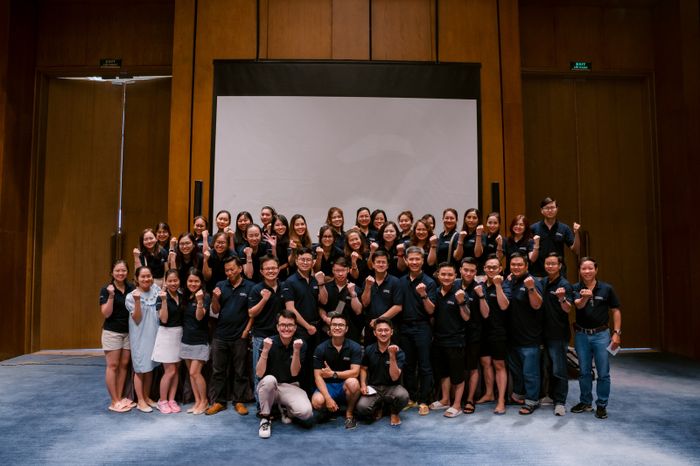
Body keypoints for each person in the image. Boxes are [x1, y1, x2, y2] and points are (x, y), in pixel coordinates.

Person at [572, 257, 622, 419]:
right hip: (581, 335)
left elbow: (615, 310)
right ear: (579, 271)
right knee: (584, 371)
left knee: (603, 372)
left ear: (596, 270)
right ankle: (585, 401)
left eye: (590, 268)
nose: (587, 271)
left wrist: (617, 333)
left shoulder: (607, 288)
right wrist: (586, 296)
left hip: (601, 335)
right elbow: (578, 305)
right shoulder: (575, 288)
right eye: (583, 269)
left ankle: (601, 405)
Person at [207, 256, 255, 416]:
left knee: (240, 371)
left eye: (232, 269)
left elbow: (252, 313)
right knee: (218, 371)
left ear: (240, 269)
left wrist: (246, 331)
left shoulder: (250, 287)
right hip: (220, 335)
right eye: (226, 270)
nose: (229, 273)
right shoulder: (220, 285)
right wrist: (215, 297)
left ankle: (239, 401)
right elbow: (215, 311)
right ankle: (219, 402)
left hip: (240, 335)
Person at [256, 310, 312, 439]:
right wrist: (265, 350)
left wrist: (296, 351)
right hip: (270, 387)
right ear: (277, 327)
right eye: (282, 325)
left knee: (306, 413)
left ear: (295, 327)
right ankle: (265, 418)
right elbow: (259, 373)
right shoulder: (268, 342)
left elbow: (294, 372)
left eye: (290, 325)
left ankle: (285, 407)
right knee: (269, 379)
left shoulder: (300, 344)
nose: (286, 328)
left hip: (290, 386)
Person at [397, 246, 437, 416]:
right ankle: (411, 398)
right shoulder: (400, 281)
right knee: (408, 365)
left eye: (417, 259)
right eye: (411, 259)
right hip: (404, 327)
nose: (414, 262)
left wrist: (423, 294)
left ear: (422, 261)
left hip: (422, 327)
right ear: (406, 261)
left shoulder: (429, 282)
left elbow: (431, 310)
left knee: (425, 365)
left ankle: (424, 400)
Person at [283, 247, 328, 392]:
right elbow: (290, 308)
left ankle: (311, 393)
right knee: (299, 362)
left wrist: (321, 283)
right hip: (300, 329)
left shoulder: (315, 280)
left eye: (308, 260)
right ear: (296, 261)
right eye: (302, 259)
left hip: (315, 328)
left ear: (313, 262)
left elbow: (324, 301)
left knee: (313, 362)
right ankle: (297, 394)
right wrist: (307, 326)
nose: (305, 262)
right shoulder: (290, 281)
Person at [429, 263, 470, 418]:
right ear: (438, 275)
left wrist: (461, 302)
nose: (446, 277)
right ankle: (445, 399)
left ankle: (457, 405)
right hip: (439, 340)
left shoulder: (460, 293)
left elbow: (467, 317)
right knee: (443, 373)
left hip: (456, 341)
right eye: (443, 274)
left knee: (457, 375)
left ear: (455, 276)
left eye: (450, 275)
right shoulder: (435, 292)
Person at [505, 253, 544, 415]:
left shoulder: (532, 281)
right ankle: (520, 395)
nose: (516, 267)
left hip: (530, 338)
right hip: (513, 337)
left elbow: (537, 305)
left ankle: (532, 401)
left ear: (526, 266)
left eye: (520, 264)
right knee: (517, 371)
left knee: (530, 373)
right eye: (513, 264)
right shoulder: (510, 281)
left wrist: (531, 288)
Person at [311, 312, 363, 429]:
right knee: (317, 402)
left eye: (341, 325)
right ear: (329, 328)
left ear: (346, 329)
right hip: (327, 386)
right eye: (334, 325)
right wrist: (328, 398)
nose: (337, 327)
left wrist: (333, 374)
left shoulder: (354, 347)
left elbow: (355, 372)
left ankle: (349, 413)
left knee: (353, 383)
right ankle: (330, 410)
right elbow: (318, 376)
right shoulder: (320, 348)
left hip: (345, 385)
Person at [248, 256, 287, 403]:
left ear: (278, 269)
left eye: (274, 268)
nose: (271, 271)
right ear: (262, 271)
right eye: (267, 269)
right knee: (259, 373)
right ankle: (261, 406)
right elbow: (251, 313)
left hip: (281, 337)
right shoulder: (256, 289)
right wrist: (264, 299)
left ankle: (278, 404)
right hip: (261, 336)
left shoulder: (284, 286)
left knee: (279, 371)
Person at [475, 255, 511, 414]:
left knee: (499, 365)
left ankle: (501, 400)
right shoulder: (480, 286)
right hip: (483, 331)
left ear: (500, 269)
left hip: (499, 331)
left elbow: (504, 306)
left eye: (494, 267)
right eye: (488, 267)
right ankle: (489, 393)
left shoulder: (505, 285)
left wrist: (497, 285)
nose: (491, 269)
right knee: (485, 363)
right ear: (484, 269)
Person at [356, 318, 408, 426]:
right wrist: (363, 384)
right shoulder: (369, 349)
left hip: (392, 388)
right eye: (380, 330)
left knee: (403, 396)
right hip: (374, 388)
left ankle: (394, 412)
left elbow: (395, 377)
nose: (383, 333)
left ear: (391, 332)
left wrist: (392, 355)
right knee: (362, 408)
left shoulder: (399, 352)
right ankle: (380, 407)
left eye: (386, 330)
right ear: (375, 333)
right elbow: (363, 368)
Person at [99, 260, 135, 412]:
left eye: (123, 270)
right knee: (113, 366)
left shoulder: (131, 288)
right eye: (117, 271)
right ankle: (114, 401)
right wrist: (111, 296)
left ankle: (119, 398)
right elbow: (106, 313)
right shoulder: (106, 289)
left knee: (124, 365)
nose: (121, 273)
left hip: (128, 332)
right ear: (112, 273)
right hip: (112, 332)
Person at [540, 252, 574, 416]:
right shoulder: (544, 282)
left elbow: (568, 309)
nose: (550, 266)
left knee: (559, 369)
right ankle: (552, 396)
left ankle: (560, 402)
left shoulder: (565, 284)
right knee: (548, 367)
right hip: (544, 333)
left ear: (559, 266)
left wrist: (561, 298)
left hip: (558, 334)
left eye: (553, 264)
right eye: (547, 263)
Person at [125, 266, 162, 413]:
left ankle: (146, 397)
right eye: (143, 276)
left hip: (154, 335)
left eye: (148, 276)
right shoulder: (131, 296)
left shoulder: (156, 290)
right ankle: (140, 400)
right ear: (137, 279)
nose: (146, 279)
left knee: (150, 368)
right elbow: (137, 318)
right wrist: (137, 301)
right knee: (140, 369)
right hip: (140, 337)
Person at [151, 269, 184, 414]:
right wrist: (164, 300)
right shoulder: (160, 297)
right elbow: (163, 319)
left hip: (179, 334)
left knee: (176, 370)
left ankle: (171, 399)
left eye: (175, 280)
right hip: (166, 334)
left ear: (179, 281)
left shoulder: (182, 296)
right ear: (166, 282)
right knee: (169, 371)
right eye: (170, 281)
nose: (173, 283)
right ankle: (162, 401)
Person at [180, 268, 211, 415]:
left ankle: (204, 401)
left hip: (200, 340)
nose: (193, 284)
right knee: (191, 374)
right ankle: (197, 401)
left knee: (195, 372)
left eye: (196, 281)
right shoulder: (186, 296)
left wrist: (199, 301)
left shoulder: (205, 296)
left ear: (201, 282)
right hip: (186, 339)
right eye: (190, 281)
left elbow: (199, 317)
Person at [456, 257, 485, 414]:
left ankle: (470, 399)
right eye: (465, 270)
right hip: (454, 333)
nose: (468, 273)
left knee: (472, 368)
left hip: (473, 333)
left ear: (476, 272)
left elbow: (485, 313)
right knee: (456, 367)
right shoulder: (453, 285)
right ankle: (455, 399)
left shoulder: (479, 288)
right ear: (460, 270)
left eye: (472, 271)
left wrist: (481, 296)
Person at [360, 250, 403, 347]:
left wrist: (378, 320)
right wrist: (368, 286)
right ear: (373, 265)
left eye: (383, 262)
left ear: (387, 265)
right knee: (369, 354)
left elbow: (398, 307)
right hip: (371, 328)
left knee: (391, 354)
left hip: (389, 328)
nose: (381, 264)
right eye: (378, 262)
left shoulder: (395, 282)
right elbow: (365, 303)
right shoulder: (367, 281)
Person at [530, 197, 580, 278]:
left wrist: (576, 233)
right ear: (541, 210)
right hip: (538, 273)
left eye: (552, 207)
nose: (550, 210)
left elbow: (576, 250)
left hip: (559, 273)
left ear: (557, 209)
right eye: (547, 208)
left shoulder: (564, 228)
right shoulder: (533, 228)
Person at [319, 258, 363, 342]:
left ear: (348, 270)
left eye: (343, 270)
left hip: (350, 333)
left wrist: (353, 294)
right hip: (328, 331)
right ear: (333, 270)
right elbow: (320, 306)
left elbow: (358, 311)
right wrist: (325, 319)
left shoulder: (355, 288)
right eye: (337, 270)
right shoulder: (326, 287)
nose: (340, 273)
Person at [264, 214, 290, 280]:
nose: (280, 227)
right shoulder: (270, 239)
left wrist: (280, 268)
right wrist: (273, 247)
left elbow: (291, 261)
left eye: (283, 224)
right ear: (273, 227)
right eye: (277, 225)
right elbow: (273, 260)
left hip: (287, 273)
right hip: (273, 272)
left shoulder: (290, 239)